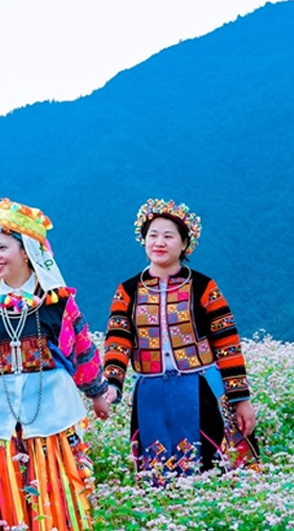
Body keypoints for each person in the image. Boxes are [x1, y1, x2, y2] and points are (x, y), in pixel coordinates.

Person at [0, 198, 111, 531]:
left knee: (57, 487)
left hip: (52, 417)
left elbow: (81, 350)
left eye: (3, 247)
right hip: (3, 422)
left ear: (27, 251)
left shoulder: (58, 303)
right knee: (2, 493)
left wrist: (98, 393)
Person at [102, 199, 261, 487]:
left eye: (168, 236)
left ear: (185, 243)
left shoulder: (203, 287)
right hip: (150, 391)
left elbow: (227, 342)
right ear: (143, 240)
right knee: (155, 468)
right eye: (152, 235)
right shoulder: (127, 290)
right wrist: (112, 382)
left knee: (211, 463)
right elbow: (118, 339)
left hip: (200, 387)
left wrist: (241, 399)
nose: (159, 242)